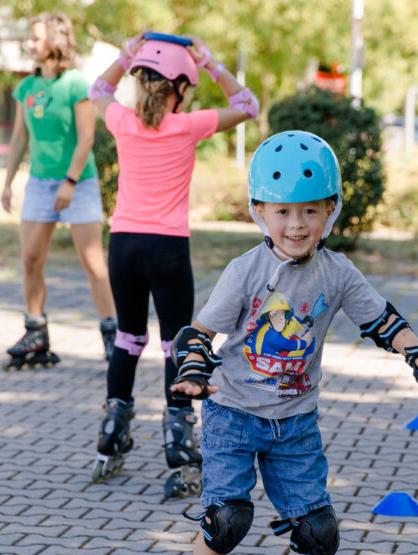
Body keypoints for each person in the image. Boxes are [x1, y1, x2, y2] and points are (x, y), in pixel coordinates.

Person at [166, 130, 418, 555]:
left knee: (315, 526)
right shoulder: (246, 271)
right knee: (224, 519)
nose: (297, 225)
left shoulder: (337, 272)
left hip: (296, 424)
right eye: (283, 212)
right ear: (260, 212)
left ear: (332, 211)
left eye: (311, 211)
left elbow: (382, 320)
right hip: (233, 415)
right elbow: (200, 332)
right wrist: (191, 368)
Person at [87, 32, 258, 489]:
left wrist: (125, 55)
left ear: (142, 82)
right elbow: (249, 105)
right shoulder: (188, 125)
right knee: (174, 345)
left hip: (123, 244)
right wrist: (211, 61)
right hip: (166, 248)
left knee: (127, 337)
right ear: (180, 87)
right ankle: (179, 440)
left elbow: (97, 91)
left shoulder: (122, 121)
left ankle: (112, 431)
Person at [1, 12, 116, 370]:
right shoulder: (27, 88)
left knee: (93, 264)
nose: (29, 44)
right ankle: (36, 332)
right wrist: (7, 183)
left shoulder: (76, 85)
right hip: (38, 183)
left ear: (55, 41)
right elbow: (20, 137)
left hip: (77, 184)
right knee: (31, 260)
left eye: (36, 38)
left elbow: (86, 139)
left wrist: (69, 182)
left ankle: (114, 338)